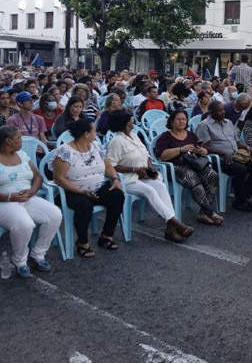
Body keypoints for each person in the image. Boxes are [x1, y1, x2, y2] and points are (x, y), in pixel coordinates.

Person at [106, 110, 193, 243]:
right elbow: (112, 165)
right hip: (128, 180)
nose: (133, 121)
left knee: (160, 186)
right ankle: (174, 222)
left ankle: (171, 228)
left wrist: (149, 166)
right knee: (150, 191)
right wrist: (135, 169)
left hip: (143, 175)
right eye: (130, 119)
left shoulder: (134, 136)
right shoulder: (117, 141)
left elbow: (146, 154)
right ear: (125, 123)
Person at [51, 118, 125, 258]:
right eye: (94, 131)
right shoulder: (65, 151)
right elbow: (59, 178)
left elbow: (108, 166)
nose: (96, 133)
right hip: (73, 190)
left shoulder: (96, 146)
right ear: (86, 134)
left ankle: (106, 235)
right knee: (84, 205)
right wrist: (80, 191)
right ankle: (82, 242)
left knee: (117, 196)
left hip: (98, 186)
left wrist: (115, 179)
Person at [0, 125, 62, 277]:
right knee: (25, 224)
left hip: (27, 197)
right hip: (5, 202)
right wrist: (10, 197)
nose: (21, 141)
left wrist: (32, 191)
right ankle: (20, 261)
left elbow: (37, 176)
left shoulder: (21, 154)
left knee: (54, 214)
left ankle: (38, 254)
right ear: (8, 141)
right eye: (19, 138)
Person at [155, 110, 223, 225]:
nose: (181, 121)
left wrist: (202, 151)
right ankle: (210, 212)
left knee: (212, 176)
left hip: (193, 164)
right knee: (193, 179)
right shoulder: (166, 136)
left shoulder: (191, 135)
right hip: (175, 167)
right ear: (172, 121)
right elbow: (162, 155)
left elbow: (202, 149)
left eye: (184, 119)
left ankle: (203, 213)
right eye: (178, 119)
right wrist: (181, 149)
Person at [196, 102, 252, 212]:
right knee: (241, 170)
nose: (223, 112)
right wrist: (223, 153)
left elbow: (237, 141)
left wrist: (247, 148)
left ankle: (243, 196)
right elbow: (203, 147)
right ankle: (239, 201)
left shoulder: (228, 122)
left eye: (223, 110)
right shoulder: (204, 125)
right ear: (211, 112)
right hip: (218, 159)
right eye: (219, 110)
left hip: (236, 156)